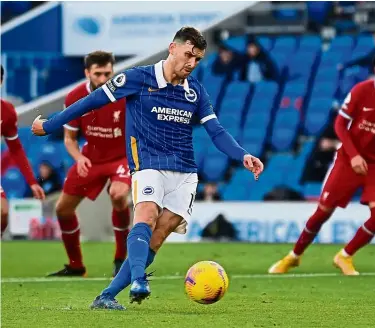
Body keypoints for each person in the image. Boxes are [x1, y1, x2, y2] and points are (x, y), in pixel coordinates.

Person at [32, 26, 264, 310]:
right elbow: (90, 102)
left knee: (160, 234)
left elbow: (215, 131)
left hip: (185, 172)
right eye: (188, 55)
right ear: (173, 48)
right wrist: (49, 125)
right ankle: (139, 279)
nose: (191, 63)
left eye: (198, 59)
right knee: (146, 213)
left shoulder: (196, 92)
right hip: (148, 163)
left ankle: (106, 296)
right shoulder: (136, 78)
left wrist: (242, 155)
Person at [268, 48, 375, 276]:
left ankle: (345, 255)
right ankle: (293, 256)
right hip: (347, 159)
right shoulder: (361, 91)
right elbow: (339, 125)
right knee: (323, 212)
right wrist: (353, 154)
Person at [45, 51, 131, 278]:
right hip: (90, 159)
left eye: (108, 73)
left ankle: (121, 259)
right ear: (87, 73)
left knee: (118, 195)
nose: (104, 79)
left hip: (121, 158)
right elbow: (69, 139)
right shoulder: (74, 96)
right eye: (98, 74)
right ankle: (76, 266)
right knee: (62, 209)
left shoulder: (124, 94)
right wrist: (79, 158)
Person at [0, 65, 45, 236]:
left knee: (3, 213)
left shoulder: (7, 112)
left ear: (1, 82)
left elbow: (16, 149)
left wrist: (32, 181)